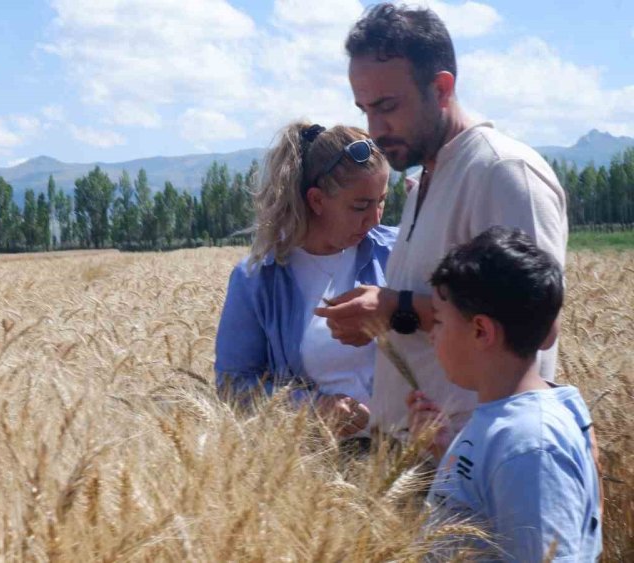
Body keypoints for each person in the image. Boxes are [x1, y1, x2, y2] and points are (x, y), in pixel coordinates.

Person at [315, 3, 568, 440]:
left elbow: (537, 327)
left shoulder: (503, 172)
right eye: (365, 109)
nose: (374, 128)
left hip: (476, 472)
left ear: (442, 88)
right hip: (416, 464)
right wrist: (389, 313)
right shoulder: (425, 178)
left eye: (388, 105)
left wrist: (395, 308)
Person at [409, 227, 600, 561]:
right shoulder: (505, 422)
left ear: (481, 331)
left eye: (438, 321)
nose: (432, 336)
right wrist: (445, 450)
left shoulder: (531, 446)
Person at [215, 121, 396, 437]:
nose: (375, 218)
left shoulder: (398, 250)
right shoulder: (258, 280)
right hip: (318, 468)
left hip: (411, 458)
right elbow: (234, 385)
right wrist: (313, 409)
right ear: (317, 201)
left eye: (381, 200)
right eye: (360, 206)